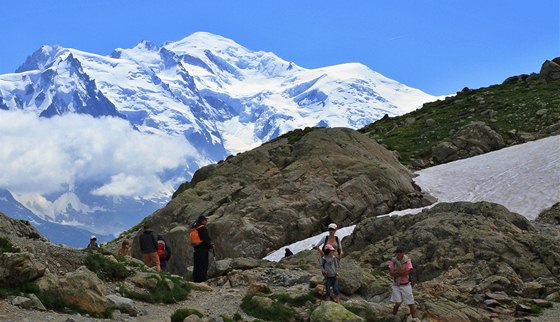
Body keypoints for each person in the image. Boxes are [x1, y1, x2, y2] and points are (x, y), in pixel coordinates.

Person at [389, 245, 417, 321]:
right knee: (397, 302)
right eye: (397, 252)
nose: (399, 253)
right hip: (396, 285)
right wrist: (402, 272)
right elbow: (391, 273)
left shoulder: (407, 261)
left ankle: (414, 318)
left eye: (400, 252)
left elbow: (407, 272)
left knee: (410, 303)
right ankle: (393, 316)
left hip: (406, 285)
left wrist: (396, 272)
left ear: (404, 253)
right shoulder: (393, 261)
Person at [192, 215, 213, 282]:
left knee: (197, 264)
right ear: (203, 221)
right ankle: (202, 279)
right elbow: (206, 239)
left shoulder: (195, 228)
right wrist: (210, 246)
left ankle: (196, 279)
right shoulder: (202, 228)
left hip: (196, 249)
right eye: (205, 220)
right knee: (203, 264)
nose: (206, 221)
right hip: (203, 249)